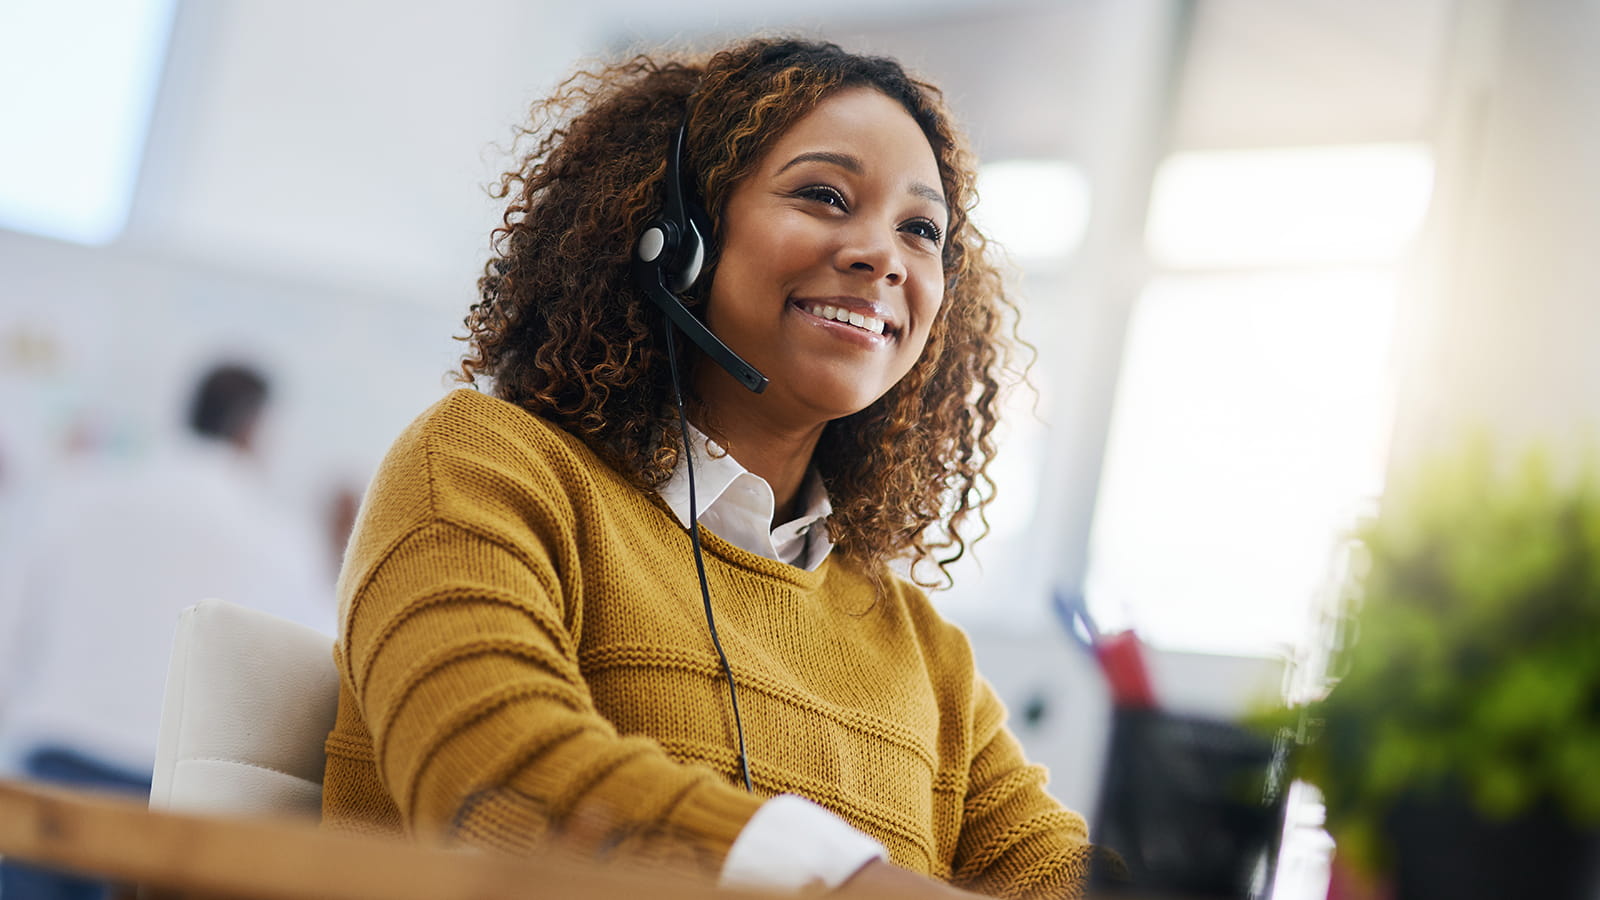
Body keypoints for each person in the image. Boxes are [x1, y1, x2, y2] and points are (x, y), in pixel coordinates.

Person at [322, 38, 1094, 898]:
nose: (882, 254)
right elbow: (491, 779)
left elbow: (1058, 874)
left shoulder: (919, 646)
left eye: (921, 229)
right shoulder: (488, 466)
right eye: (823, 196)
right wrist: (842, 881)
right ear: (674, 236)